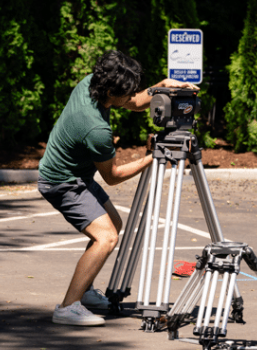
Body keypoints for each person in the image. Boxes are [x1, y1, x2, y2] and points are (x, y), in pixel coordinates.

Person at [38, 50, 198, 326]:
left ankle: (84, 291)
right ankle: (67, 307)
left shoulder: (92, 82)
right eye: (127, 91)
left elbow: (135, 103)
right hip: (62, 182)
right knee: (107, 237)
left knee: (114, 222)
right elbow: (112, 176)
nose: (133, 95)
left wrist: (164, 86)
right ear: (112, 92)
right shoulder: (96, 129)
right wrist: (154, 157)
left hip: (76, 175)